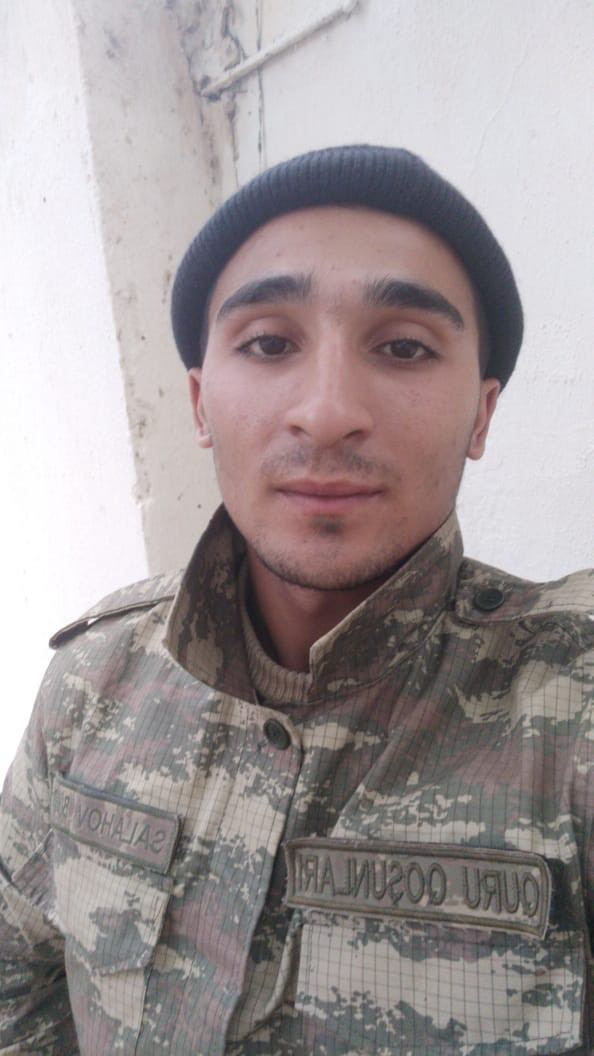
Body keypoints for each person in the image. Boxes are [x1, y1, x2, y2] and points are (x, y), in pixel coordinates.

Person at [0, 145, 592, 1056]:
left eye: (403, 347)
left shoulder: (570, 709)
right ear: (200, 402)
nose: (326, 411)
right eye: (270, 344)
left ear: (481, 414)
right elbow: (18, 975)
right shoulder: (92, 682)